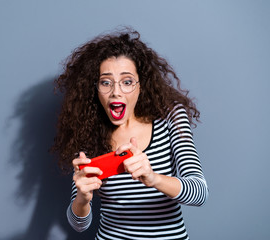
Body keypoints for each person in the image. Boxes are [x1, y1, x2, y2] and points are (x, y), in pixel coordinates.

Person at [52, 28, 209, 240]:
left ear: (140, 86)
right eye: (106, 82)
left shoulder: (170, 117)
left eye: (127, 82)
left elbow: (199, 193)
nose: (116, 91)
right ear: (96, 88)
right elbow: (79, 225)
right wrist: (82, 197)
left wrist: (153, 178)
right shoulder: (88, 129)